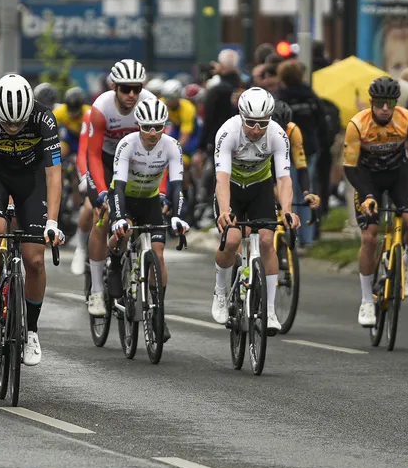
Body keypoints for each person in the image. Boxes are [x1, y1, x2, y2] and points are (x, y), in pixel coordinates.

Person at [0, 73, 65, 365]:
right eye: (7, 122)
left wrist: (53, 221)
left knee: (35, 259)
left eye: (19, 123)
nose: (12, 128)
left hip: (31, 179)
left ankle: (31, 331)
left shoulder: (45, 119)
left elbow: (54, 173)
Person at [342, 76, 408, 326]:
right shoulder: (357, 124)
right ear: (372, 102)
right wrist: (368, 195)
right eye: (380, 103)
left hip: (399, 176)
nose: (385, 108)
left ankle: (406, 263)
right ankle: (366, 301)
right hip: (367, 178)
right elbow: (350, 168)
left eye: (390, 103)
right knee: (369, 236)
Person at [210, 87, 298, 334]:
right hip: (232, 189)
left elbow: (283, 179)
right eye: (250, 123)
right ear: (241, 116)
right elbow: (222, 178)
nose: (257, 129)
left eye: (262, 123)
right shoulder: (227, 133)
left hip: (259, 187)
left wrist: (287, 210)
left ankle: (269, 311)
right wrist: (225, 210)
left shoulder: (278, 135)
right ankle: (220, 291)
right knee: (232, 240)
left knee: (268, 241)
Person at [106, 96, 191, 341]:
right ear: (138, 126)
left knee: (159, 254)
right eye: (147, 127)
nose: (153, 133)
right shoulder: (127, 144)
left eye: (158, 127)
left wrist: (177, 216)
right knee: (125, 231)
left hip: (151, 201)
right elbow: (119, 186)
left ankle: (158, 312)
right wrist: (120, 217)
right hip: (125, 198)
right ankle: (114, 261)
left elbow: (176, 186)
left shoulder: (172, 145)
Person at [82, 59, 157, 316]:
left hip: (135, 162)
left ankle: (127, 264)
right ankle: (95, 291)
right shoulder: (101, 107)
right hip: (104, 161)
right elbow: (92, 155)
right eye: (126, 89)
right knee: (101, 217)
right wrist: (102, 191)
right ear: (114, 86)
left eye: (136, 89)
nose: (132, 95)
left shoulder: (150, 104)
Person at [275, 60, 327, 245]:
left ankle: (290, 233)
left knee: (287, 190)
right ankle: (308, 236)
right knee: (306, 192)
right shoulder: (311, 96)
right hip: (309, 147)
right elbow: (322, 121)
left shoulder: (280, 98)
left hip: (283, 147)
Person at [55, 86, 92, 274]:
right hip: (69, 140)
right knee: (58, 152)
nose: (73, 114)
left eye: (76, 110)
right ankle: (58, 187)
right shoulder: (59, 112)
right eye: (71, 110)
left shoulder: (88, 113)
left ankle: (77, 203)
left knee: (80, 169)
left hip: (83, 141)